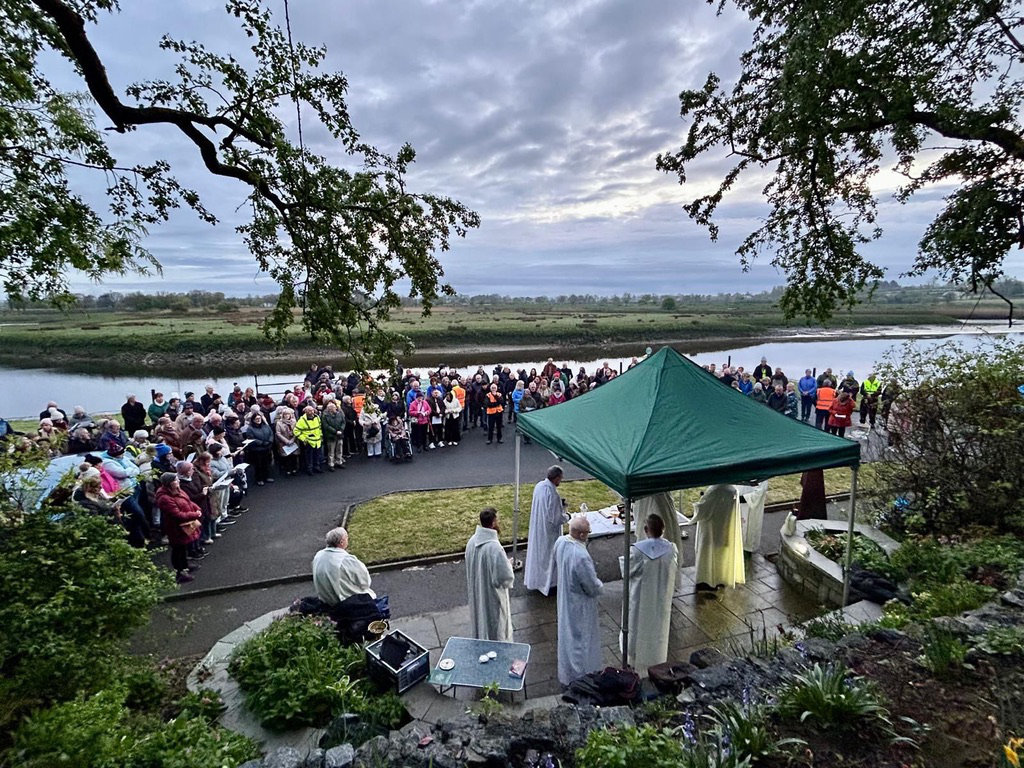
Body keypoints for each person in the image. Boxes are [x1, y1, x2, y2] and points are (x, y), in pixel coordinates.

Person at [624, 513, 678, 674]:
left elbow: (627, 571)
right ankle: (657, 658)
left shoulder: (637, 551)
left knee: (637, 626)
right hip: (661, 596)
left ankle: (634, 659)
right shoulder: (671, 549)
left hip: (641, 598)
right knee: (658, 628)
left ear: (646, 529)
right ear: (663, 529)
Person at [553, 516, 603, 686]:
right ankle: (581, 675)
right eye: (588, 532)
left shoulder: (560, 542)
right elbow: (591, 585)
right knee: (581, 638)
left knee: (567, 635)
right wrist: (600, 587)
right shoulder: (581, 556)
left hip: (565, 595)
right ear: (581, 535)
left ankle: (567, 672)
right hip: (580, 603)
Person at [465, 507, 515, 642]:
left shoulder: (472, 541)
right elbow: (505, 577)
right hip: (492, 597)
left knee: (481, 621)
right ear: (493, 522)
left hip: (478, 591)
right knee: (495, 627)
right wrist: (508, 565)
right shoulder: (494, 548)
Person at [682, 484, 745, 590]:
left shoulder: (714, 491)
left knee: (708, 554)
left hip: (711, 530)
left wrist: (699, 502)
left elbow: (703, 511)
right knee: (721, 554)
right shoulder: (732, 490)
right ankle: (721, 578)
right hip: (725, 528)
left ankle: (707, 579)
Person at [525, 465, 569, 594]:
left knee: (539, 555)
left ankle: (537, 580)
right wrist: (567, 516)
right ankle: (549, 583)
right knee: (550, 557)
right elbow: (556, 518)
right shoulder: (553, 494)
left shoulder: (539, 486)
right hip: (549, 532)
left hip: (538, 526)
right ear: (556, 478)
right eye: (560, 478)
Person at [155, 472, 203, 584]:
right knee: (178, 549)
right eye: (176, 480)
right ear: (169, 483)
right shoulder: (164, 498)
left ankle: (185, 565)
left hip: (184, 524)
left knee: (183, 547)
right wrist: (195, 514)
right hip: (175, 528)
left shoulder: (177, 490)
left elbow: (188, 501)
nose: (179, 481)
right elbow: (177, 515)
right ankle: (179, 572)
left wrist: (197, 508)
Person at [312, 527, 375, 604]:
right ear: (342, 542)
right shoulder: (346, 559)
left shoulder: (318, 556)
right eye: (347, 538)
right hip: (345, 600)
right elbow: (365, 582)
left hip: (326, 600)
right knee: (370, 595)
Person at [295, 404, 324, 475]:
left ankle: (316, 467)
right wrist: (304, 439)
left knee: (317, 455)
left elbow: (319, 428)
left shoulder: (317, 417)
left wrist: (321, 436)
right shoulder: (302, 420)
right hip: (309, 441)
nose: (312, 412)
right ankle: (309, 469)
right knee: (309, 457)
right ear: (306, 412)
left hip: (317, 441)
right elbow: (296, 431)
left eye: (312, 410)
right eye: (309, 411)